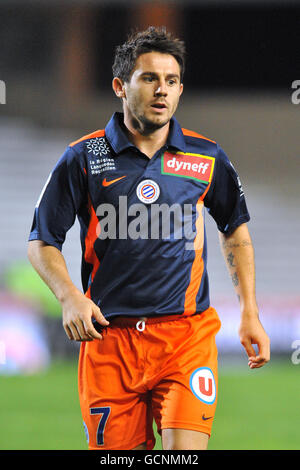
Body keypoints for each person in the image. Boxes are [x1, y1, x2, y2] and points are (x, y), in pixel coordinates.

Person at [27, 26, 270, 451]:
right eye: (150, 78)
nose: (163, 91)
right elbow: (42, 240)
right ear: (120, 86)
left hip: (185, 338)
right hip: (109, 343)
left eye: (172, 81)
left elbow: (235, 228)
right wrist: (69, 297)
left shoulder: (206, 156)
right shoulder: (83, 157)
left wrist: (250, 309)